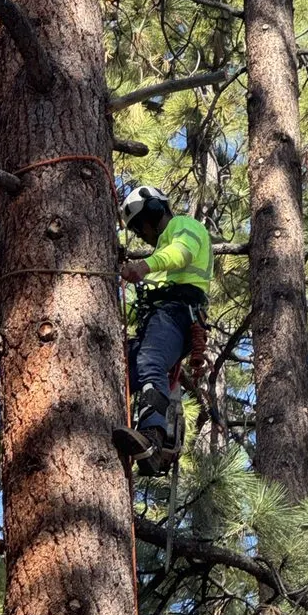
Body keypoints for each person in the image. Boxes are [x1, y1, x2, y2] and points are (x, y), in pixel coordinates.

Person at [112, 185, 213, 475]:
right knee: (124, 369)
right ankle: (147, 432)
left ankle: (152, 437)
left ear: (155, 209)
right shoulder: (160, 255)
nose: (143, 234)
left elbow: (181, 254)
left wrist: (143, 267)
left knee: (150, 361)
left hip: (177, 313)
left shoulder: (185, 226)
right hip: (161, 317)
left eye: (142, 225)